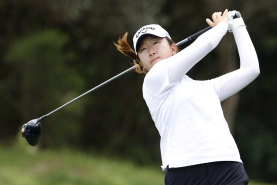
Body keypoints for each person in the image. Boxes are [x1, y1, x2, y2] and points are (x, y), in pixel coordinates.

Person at [115, 9, 260, 185]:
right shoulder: (153, 81)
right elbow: (207, 44)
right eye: (143, 49)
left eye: (156, 43)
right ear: (141, 63)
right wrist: (221, 27)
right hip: (186, 171)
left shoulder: (207, 88)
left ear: (173, 48)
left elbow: (251, 70)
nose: (151, 51)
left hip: (227, 165)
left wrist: (238, 25)